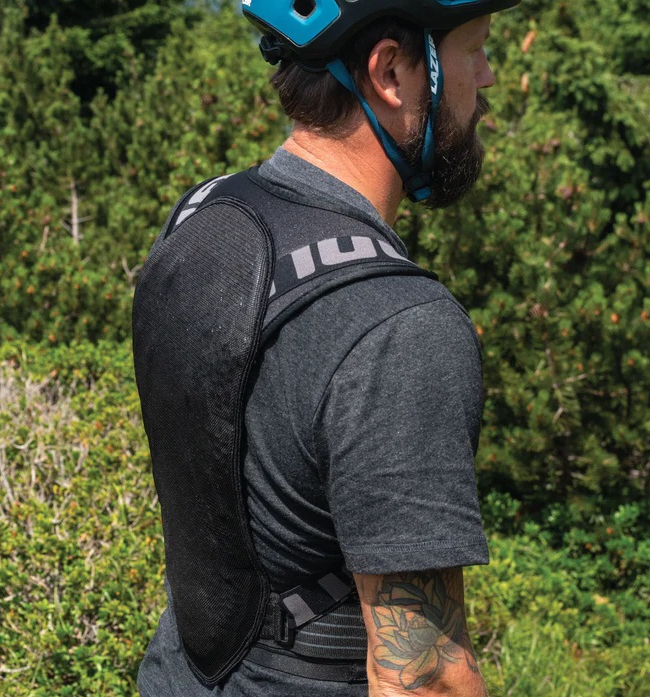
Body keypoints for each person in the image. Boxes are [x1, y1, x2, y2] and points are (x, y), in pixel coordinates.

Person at [134, 1, 522, 695]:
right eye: (475, 47)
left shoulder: (202, 214)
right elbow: (424, 676)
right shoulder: (399, 326)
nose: (488, 75)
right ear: (390, 71)